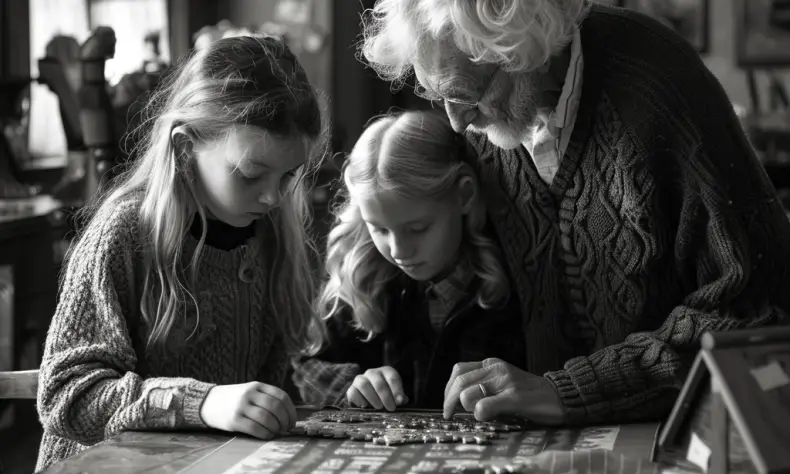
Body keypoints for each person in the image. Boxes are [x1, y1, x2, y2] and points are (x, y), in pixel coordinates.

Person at [359, 0, 790, 426]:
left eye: (464, 94)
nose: (456, 122)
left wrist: (570, 391)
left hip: (676, 435)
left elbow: (753, 310)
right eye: (438, 95)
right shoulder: (486, 126)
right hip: (542, 443)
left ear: (523, 52)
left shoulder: (656, 80)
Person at [35, 35, 327, 471]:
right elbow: (66, 394)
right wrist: (200, 402)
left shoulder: (270, 237)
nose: (272, 197)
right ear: (186, 147)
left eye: (288, 177)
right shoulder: (125, 233)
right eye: (250, 174)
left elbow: (277, 381)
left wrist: (347, 385)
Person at [292, 109, 525, 411]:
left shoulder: (515, 277)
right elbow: (304, 367)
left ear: (464, 194)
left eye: (417, 229)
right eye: (379, 229)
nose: (399, 251)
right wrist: (351, 385)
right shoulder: (364, 275)